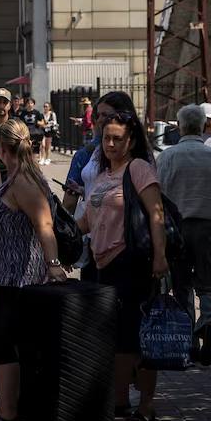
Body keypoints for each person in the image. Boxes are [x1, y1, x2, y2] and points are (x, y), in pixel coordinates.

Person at [0, 119, 63, 421]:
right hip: (9, 280)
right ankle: (14, 413)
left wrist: (53, 265)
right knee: (4, 346)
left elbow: (45, 225)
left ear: (1, 147)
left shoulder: (23, 181)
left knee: (4, 346)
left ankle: (9, 416)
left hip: (20, 281)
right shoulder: (17, 177)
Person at [75, 110, 167, 421]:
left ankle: (144, 404)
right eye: (106, 138)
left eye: (117, 139)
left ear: (131, 140)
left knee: (134, 336)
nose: (110, 144)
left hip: (132, 262)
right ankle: (119, 401)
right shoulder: (103, 175)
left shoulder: (138, 168)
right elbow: (85, 221)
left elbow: (156, 213)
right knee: (117, 336)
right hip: (104, 266)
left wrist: (159, 256)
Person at [156, 104, 211, 366]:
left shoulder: (167, 158)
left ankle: (189, 342)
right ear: (203, 125)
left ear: (180, 127)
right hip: (208, 229)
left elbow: (156, 202)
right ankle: (210, 320)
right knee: (210, 283)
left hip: (177, 231)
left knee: (181, 286)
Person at [62, 92, 143, 280]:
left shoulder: (140, 162)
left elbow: (155, 211)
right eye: (98, 116)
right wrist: (65, 246)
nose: (99, 121)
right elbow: (72, 206)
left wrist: (160, 257)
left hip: (129, 246)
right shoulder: (88, 155)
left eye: (106, 116)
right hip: (95, 243)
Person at [41, 101, 58, 166]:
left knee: (48, 145)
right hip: (43, 131)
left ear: (49, 107)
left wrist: (50, 124)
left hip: (50, 131)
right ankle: (42, 158)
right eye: (44, 106)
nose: (45, 108)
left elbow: (55, 122)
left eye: (46, 106)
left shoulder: (52, 114)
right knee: (42, 145)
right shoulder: (42, 114)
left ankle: (47, 158)